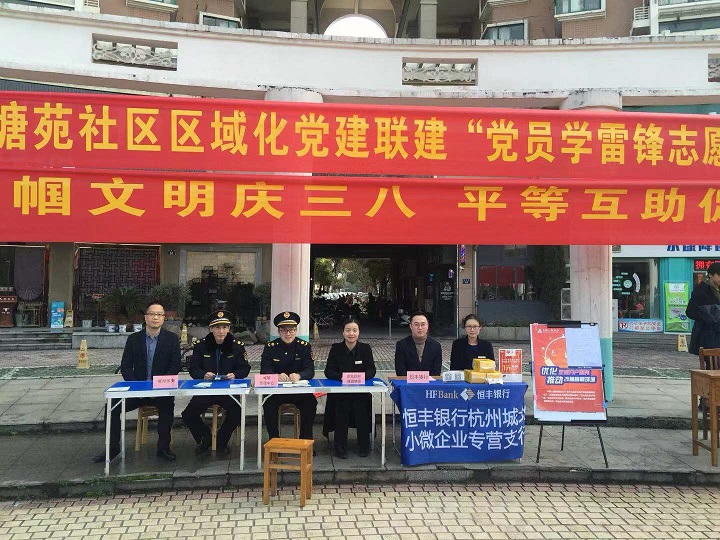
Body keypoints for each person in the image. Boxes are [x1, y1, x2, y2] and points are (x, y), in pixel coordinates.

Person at [93, 301, 181, 463]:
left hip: (161, 390)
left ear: (163, 318)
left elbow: (175, 366)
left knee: (167, 407)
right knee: (112, 407)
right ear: (145, 317)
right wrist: (136, 386)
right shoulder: (134, 339)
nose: (155, 317)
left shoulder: (172, 339)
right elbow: (126, 366)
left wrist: (159, 385)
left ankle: (163, 448)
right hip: (137, 391)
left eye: (159, 314)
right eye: (152, 314)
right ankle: (113, 449)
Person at [181, 310, 251, 455]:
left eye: (224, 327)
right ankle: (205, 438)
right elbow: (193, 368)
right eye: (217, 327)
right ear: (211, 328)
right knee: (188, 414)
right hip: (206, 390)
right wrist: (203, 374)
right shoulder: (201, 345)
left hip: (228, 391)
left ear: (229, 328)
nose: (221, 331)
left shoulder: (237, 346)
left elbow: (245, 368)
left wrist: (235, 375)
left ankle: (221, 441)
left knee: (237, 412)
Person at [323, 318, 377, 458]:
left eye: (354, 330)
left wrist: (360, 377)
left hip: (360, 391)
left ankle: (364, 446)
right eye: (348, 330)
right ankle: (340, 447)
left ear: (359, 332)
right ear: (343, 332)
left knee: (362, 410)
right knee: (341, 409)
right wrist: (342, 377)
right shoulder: (336, 349)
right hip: (341, 392)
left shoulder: (365, 348)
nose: (351, 333)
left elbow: (371, 370)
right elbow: (328, 371)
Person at [260, 311, 317, 440]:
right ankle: (274, 440)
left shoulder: (304, 347)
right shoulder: (270, 347)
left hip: (298, 390)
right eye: (284, 330)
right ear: (279, 332)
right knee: (268, 404)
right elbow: (264, 369)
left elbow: (310, 370)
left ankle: (305, 440)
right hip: (276, 391)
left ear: (296, 331)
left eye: (291, 330)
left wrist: (299, 375)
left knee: (310, 403)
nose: (288, 333)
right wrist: (276, 376)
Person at [687, 262, 720, 360]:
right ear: (710, 275)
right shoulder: (701, 291)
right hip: (707, 335)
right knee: (712, 364)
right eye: (719, 275)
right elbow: (690, 312)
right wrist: (707, 314)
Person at [394, 311, 442, 376]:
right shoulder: (401, 345)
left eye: (423, 324)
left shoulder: (436, 346)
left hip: (430, 382)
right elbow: (400, 371)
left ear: (427, 326)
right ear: (411, 326)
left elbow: (436, 372)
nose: (420, 328)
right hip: (407, 382)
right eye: (416, 324)